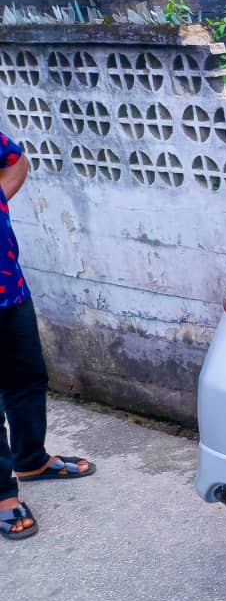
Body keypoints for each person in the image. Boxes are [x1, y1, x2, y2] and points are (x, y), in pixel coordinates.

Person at [0, 129, 95, 540]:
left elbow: (15, 160)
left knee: (28, 377)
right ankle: (3, 495)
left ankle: (30, 458)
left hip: (9, 288)